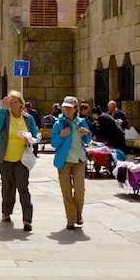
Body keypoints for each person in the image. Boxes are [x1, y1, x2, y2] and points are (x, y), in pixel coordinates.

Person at [0, 90, 38, 231]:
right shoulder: (5, 116)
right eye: (10, 102)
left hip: (22, 159)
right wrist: (2, 109)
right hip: (4, 158)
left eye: (15, 102)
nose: (12, 105)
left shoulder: (28, 119)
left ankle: (27, 219)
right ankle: (6, 213)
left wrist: (28, 139)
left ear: (21, 104)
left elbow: (35, 137)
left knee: (23, 187)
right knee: (8, 186)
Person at [52, 96, 93, 230]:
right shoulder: (59, 124)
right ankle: (71, 218)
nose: (67, 110)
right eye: (65, 108)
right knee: (66, 191)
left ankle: (78, 213)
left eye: (69, 108)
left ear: (76, 109)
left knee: (80, 189)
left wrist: (87, 133)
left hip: (79, 160)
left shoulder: (81, 122)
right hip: (64, 161)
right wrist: (61, 136)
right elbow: (54, 143)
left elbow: (87, 140)